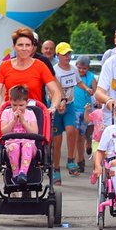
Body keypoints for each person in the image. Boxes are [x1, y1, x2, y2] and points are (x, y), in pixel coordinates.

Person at [0, 28, 63, 111]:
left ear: (32, 47)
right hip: (10, 115)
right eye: (20, 45)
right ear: (14, 47)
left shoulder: (40, 66)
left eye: (28, 45)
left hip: (34, 115)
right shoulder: (4, 66)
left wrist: (52, 108)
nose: (24, 48)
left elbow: (56, 92)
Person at [0, 86, 39, 185]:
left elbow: (35, 132)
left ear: (27, 103)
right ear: (10, 102)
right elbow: (3, 132)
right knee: (14, 147)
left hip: (28, 143)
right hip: (12, 142)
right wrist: (13, 121)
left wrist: (24, 122)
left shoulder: (30, 113)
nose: (18, 108)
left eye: (21, 105)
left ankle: (22, 174)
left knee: (27, 146)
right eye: (14, 105)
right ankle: (15, 174)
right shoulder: (6, 113)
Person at [52, 42, 80, 182]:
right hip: (56, 107)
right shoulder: (54, 70)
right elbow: (52, 90)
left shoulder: (74, 69)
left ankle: (70, 159)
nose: (67, 57)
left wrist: (87, 89)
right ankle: (56, 168)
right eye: (64, 54)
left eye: (69, 54)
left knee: (71, 130)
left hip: (69, 105)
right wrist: (58, 102)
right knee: (56, 141)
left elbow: (78, 82)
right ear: (58, 55)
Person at [73, 55, 96, 171]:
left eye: (84, 68)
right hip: (74, 109)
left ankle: (87, 146)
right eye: (79, 68)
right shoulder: (73, 76)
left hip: (86, 110)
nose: (81, 70)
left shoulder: (92, 77)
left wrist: (91, 91)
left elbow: (96, 94)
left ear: (88, 68)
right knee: (77, 135)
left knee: (85, 134)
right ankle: (79, 160)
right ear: (76, 66)